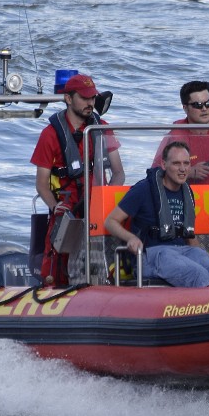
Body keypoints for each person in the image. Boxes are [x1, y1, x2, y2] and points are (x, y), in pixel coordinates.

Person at [30, 73, 125, 284]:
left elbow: (118, 172)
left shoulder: (102, 127)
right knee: (55, 270)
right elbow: (41, 183)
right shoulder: (50, 135)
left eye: (92, 98)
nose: (90, 103)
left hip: (99, 211)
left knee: (104, 265)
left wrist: (107, 200)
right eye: (84, 98)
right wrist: (55, 207)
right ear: (68, 98)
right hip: (67, 211)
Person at [105, 141, 209, 287]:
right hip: (153, 254)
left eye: (186, 163)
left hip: (183, 251)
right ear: (163, 164)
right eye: (176, 163)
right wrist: (131, 238)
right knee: (197, 274)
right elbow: (111, 221)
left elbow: (189, 236)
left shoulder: (187, 192)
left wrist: (204, 256)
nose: (182, 169)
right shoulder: (143, 189)